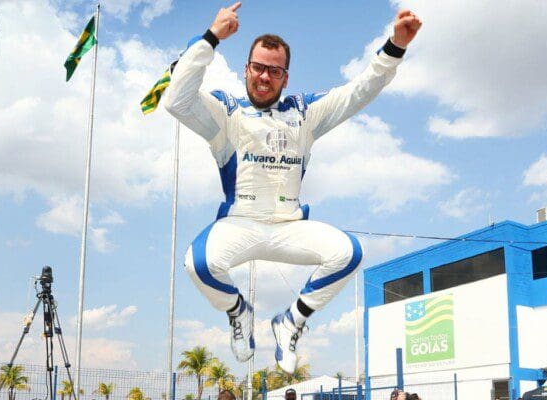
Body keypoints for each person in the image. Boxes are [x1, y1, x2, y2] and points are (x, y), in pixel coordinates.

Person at [163, 2, 422, 373]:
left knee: (349, 252)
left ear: (285, 77)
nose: (264, 77)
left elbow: (359, 92)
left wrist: (395, 46)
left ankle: (291, 322)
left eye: (274, 70)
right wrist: (212, 36)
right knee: (198, 264)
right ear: (246, 69)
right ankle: (239, 313)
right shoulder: (226, 113)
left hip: (290, 226)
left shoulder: (305, 112)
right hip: (240, 224)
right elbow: (176, 98)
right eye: (258, 68)